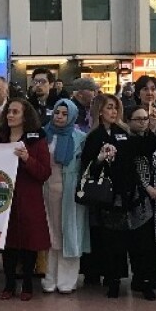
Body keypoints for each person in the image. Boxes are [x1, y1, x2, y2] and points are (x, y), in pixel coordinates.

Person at [80, 94, 156, 299]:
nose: (113, 112)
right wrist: (100, 158)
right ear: (99, 111)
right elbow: (87, 169)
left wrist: (152, 128)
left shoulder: (123, 132)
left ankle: (143, 281)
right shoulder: (94, 137)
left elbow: (143, 149)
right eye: (109, 108)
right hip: (109, 199)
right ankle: (113, 281)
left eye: (116, 108)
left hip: (132, 196)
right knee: (113, 244)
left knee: (141, 243)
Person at [0, 98, 52, 300]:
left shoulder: (37, 138)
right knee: (7, 243)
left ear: (25, 116)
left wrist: (27, 159)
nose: (10, 115)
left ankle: (27, 283)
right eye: (9, 111)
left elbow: (45, 172)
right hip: (4, 196)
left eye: (15, 112)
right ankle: (9, 283)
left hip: (29, 197)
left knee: (29, 242)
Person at [40, 98, 90, 294]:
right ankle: (50, 278)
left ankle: (67, 281)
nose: (59, 117)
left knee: (70, 233)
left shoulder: (80, 138)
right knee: (51, 235)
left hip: (70, 192)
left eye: (64, 114)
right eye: (57, 113)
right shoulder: (44, 135)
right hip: (47, 191)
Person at [128, 105, 156, 288]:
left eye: (145, 118)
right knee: (140, 240)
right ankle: (140, 276)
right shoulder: (128, 142)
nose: (143, 122)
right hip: (139, 198)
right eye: (138, 119)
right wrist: (147, 187)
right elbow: (132, 169)